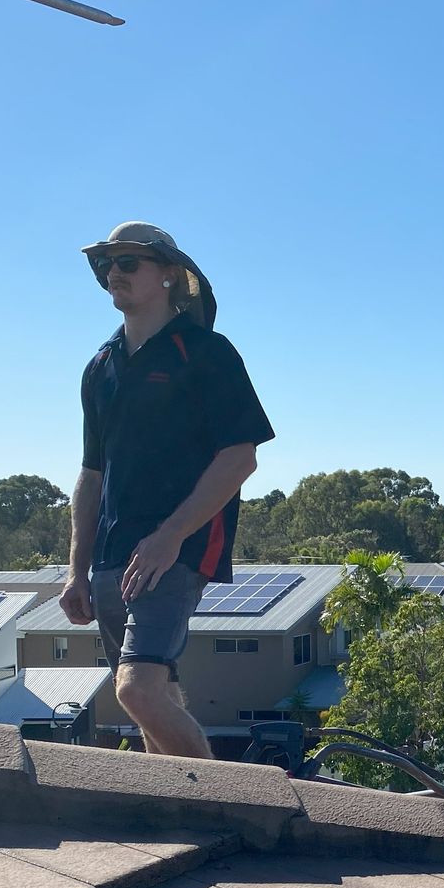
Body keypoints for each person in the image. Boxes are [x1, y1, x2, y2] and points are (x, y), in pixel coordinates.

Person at [58, 222, 274, 757]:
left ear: (170, 277)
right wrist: (76, 570)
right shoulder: (100, 367)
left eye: (128, 263)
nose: (113, 273)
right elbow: (92, 474)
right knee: (160, 697)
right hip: (112, 558)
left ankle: (236, 808)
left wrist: (170, 536)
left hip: (174, 552)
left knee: (135, 691)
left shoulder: (206, 353)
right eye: (105, 264)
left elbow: (239, 457)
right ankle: (181, 816)